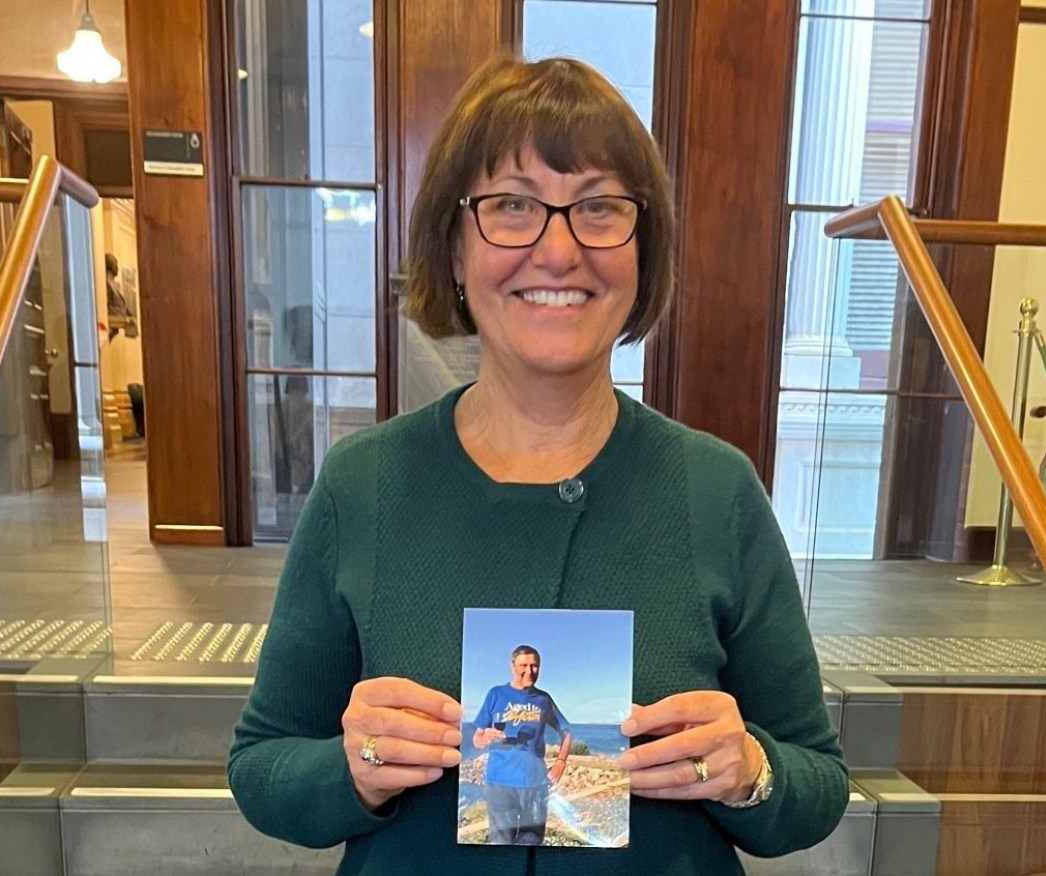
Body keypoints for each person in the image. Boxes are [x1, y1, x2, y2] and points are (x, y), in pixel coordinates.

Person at [229, 54, 849, 875]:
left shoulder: (715, 490)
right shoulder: (364, 483)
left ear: (641, 250)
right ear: (453, 250)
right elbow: (263, 767)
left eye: (597, 208)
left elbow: (816, 784)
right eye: (512, 206)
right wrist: (350, 769)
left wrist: (750, 771)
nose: (558, 251)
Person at [471, 645, 572, 845]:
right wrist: (486, 737)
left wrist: (561, 762)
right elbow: (477, 739)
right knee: (501, 843)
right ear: (512, 666)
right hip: (500, 784)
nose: (530, 671)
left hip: (536, 784)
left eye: (534, 666)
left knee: (532, 844)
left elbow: (566, 732)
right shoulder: (496, 694)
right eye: (523, 665)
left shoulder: (543, 699)